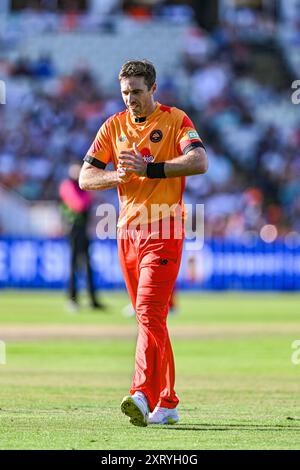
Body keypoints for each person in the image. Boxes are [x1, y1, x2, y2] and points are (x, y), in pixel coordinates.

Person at [79, 60, 208, 426]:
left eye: (136, 91)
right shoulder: (113, 125)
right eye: (124, 92)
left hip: (165, 230)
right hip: (126, 232)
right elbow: (86, 177)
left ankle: (141, 393)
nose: (130, 99)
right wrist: (116, 175)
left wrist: (150, 169)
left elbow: (200, 160)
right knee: (151, 320)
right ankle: (167, 402)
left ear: (153, 89)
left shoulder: (175, 120)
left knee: (150, 313)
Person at [59, 163, 105, 311]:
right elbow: (78, 204)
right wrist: (89, 195)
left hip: (83, 230)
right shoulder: (67, 185)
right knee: (74, 265)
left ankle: (93, 299)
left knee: (87, 265)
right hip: (73, 229)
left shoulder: (80, 187)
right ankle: (72, 299)